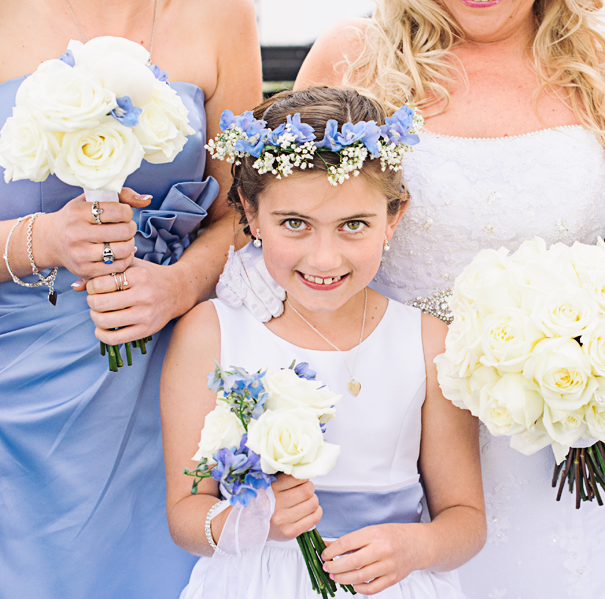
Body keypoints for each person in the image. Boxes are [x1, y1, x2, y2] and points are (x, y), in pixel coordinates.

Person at [216, 1, 605, 597]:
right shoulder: (351, 55)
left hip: (561, 437)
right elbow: (293, 225)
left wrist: (597, 365)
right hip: (387, 436)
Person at [161, 87, 486, 599]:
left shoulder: (427, 341)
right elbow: (185, 513)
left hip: (388, 583)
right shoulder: (211, 332)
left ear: (393, 218)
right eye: (295, 224)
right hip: (255, 582)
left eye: (353, 225)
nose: (324, 259)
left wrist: (417, 547)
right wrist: (254, 520)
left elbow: (465, 519)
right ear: (250, 211)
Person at [0, 1, 261, 597]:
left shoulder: (222, 14)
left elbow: (245, 212)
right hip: (19, 378)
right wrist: (44, 238)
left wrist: (178, 285)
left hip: (168, 373)